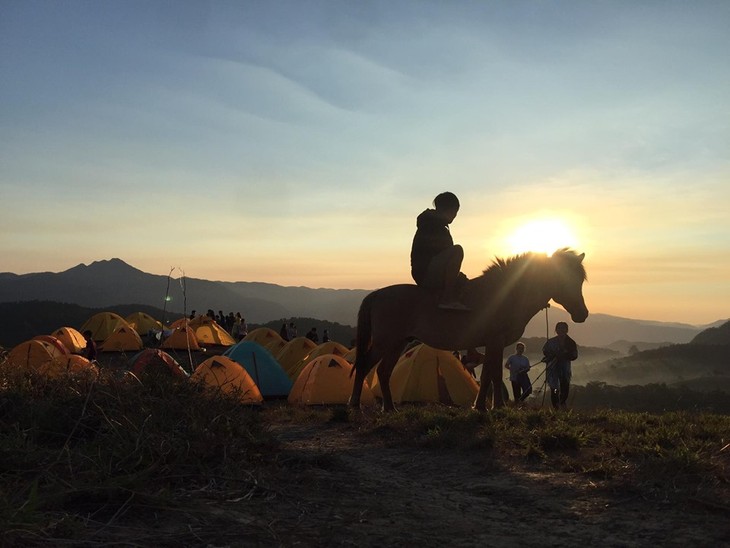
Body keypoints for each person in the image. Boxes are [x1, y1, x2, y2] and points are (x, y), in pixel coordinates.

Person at [410, 191, 469, 310]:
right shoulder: (434, 225)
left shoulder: (434, 223)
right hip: (426, 273)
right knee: (457, 250)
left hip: (424, 271)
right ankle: (447, 299)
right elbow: (444, 255)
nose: (455, 215)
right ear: (449, 209)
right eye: (455, 211)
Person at [542, 322, 578, 409]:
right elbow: (545, 351)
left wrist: (564, 355)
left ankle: (562, 401)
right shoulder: (551, 342)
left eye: (563, 328)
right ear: (556, 330)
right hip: (553, 367)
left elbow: (574, 355)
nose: (561, 330)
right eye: (559, 328)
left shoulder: (571, 342)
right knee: (554, 386)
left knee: (564, 384)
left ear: (567, 330)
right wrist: (551, 356)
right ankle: (556, 404)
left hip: (564, 367)